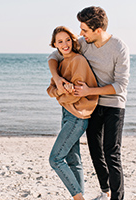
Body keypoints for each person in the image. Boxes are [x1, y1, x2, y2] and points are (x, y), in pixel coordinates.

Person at [48, 6, 129, 200]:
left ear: (97, 30)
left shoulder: (119, 47)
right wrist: (58, 79)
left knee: (111, 153)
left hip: (114, 104)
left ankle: (117, 198)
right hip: (92, 104)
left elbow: (121, 85)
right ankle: (105, 191)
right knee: (95, 150)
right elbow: (54, 56)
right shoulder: (84, 43)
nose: (80, 34)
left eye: (84, 30)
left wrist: (89, 91)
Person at [46, 26, 99, 200]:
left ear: (73, 40)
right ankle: (79, 196)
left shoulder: (78, 61)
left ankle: (79, 198)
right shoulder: (61, 64)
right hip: (67, 114)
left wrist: (60, 91)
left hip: (77, 116)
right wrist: (60, 88)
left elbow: (75, 93)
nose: (64, 44)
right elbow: (50, 90)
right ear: (55, 44)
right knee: (73, 159)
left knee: (55, 159)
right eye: (60, 41)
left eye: (67, 39)